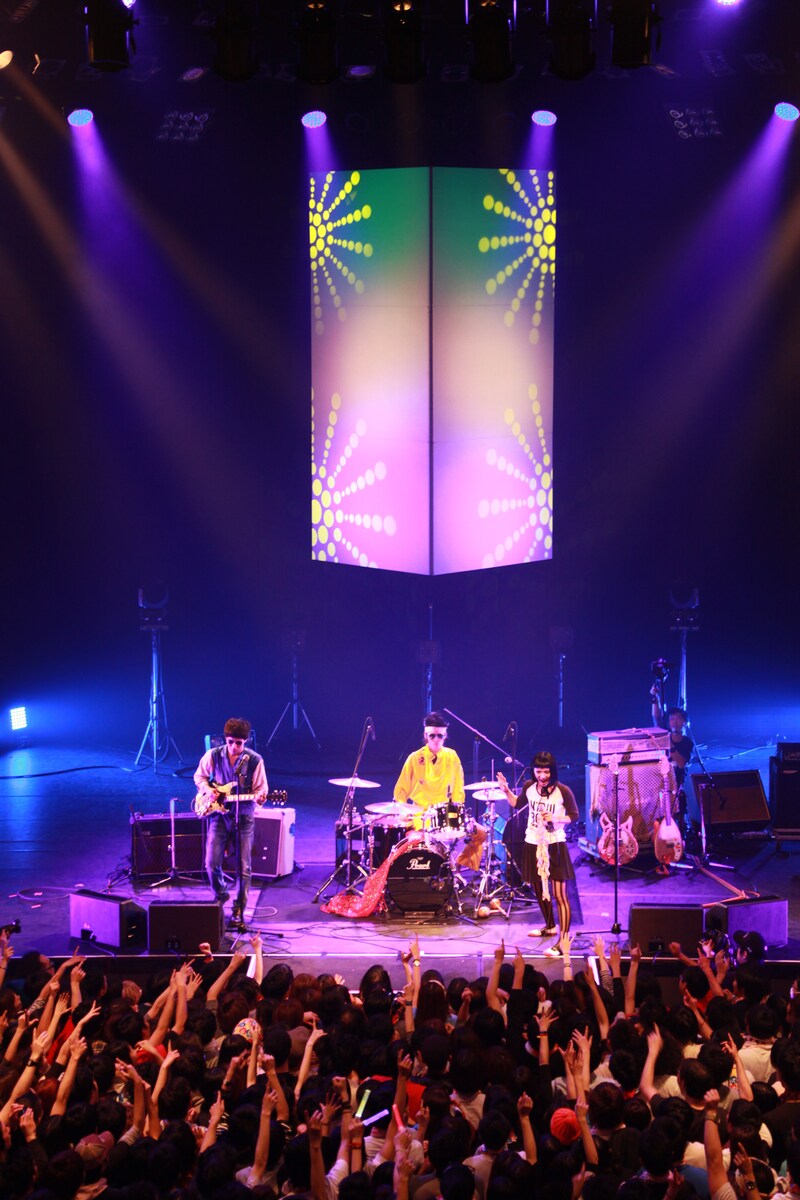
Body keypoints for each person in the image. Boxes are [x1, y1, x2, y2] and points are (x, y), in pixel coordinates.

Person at [497, 751, 578, 954]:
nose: (542, 776)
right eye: (538, 771)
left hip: (554, 845)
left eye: (546, 771)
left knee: (560, 895)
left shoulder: (563, 791)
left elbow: (574, 816)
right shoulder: (529, 787)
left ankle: (564, 941)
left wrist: (557, 818)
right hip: (532, 843)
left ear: (552, 771)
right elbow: (517, 804)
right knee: (539, 888)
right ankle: (550, 927)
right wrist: (506, 791)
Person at [194, 717, 268, 930]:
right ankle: (222, 894)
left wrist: (260, 797)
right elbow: (199, 777)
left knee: (244, 867)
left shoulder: (254, 760)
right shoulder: (213, 756)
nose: (234, 747)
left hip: (244, 817)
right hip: (218, 816)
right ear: (225, 740)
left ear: (246, 742)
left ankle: (239, 910)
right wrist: (209, 791)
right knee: (211, 863)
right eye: (230, 742)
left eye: (239, 743)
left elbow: (261, 789)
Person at [394, 710, 465, 816]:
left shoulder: (452, 756)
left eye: (440, 736)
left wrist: (455, 814)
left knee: (480, 832)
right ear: (426, 735)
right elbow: (401, 790)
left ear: (445, 735)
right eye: (432, 735)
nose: (436, 739)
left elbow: (458, 790)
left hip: (445, 817)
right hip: (420, 816)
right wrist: (403, 811)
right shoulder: (414, 758)